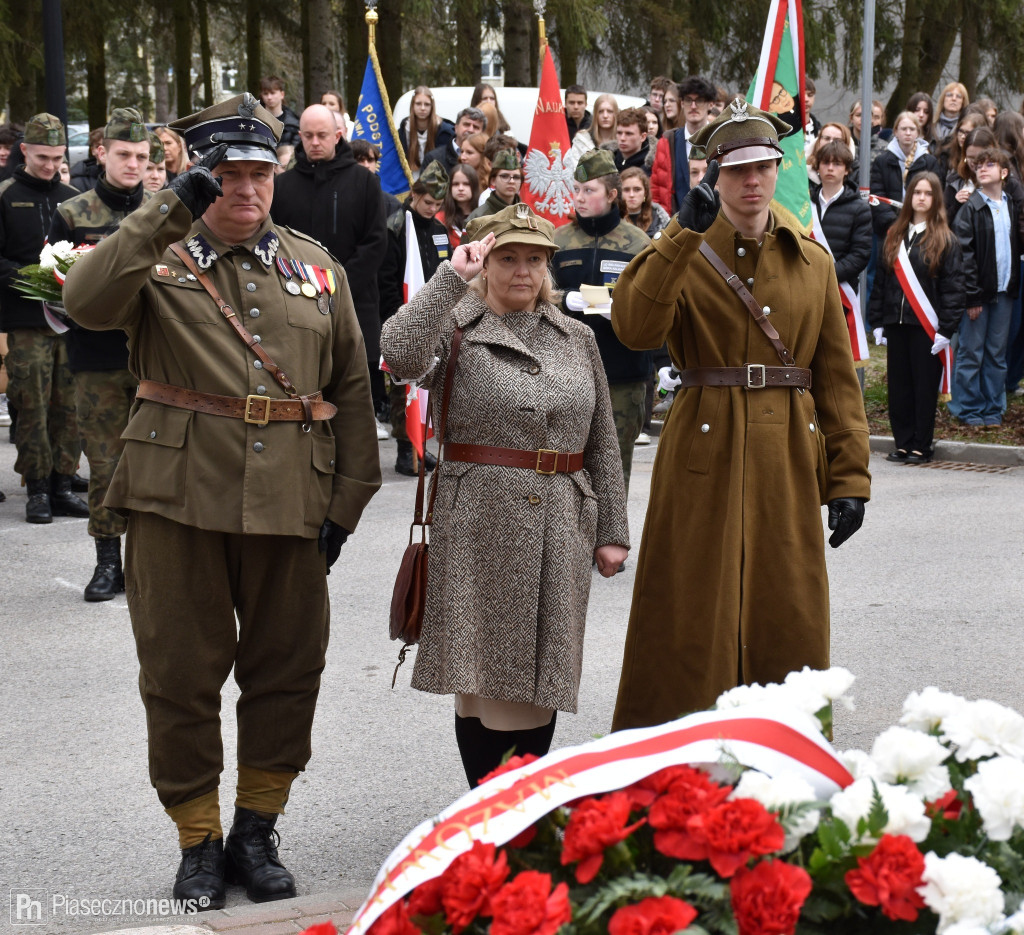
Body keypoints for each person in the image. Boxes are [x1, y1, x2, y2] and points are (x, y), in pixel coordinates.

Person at [63, 92, 381, 908]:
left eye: (259, 174)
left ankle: (254, 828)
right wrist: (167, 209)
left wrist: (344, 507)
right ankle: (198, 838)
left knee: (287, 672)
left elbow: (349, 390)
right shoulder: (155, 256)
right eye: (227, 175)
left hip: (291, 502)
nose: (247, 190)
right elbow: (87, 303)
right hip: (177, 499)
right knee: (178, 674)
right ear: (201, 176)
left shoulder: (317, 269)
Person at [609, 99, 871, 729]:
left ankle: (787, 756)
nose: (751, 182)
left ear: (778, 169)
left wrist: (849, 477)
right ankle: (675, 763)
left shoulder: (812, 261)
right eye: (736, 171)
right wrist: (677, 236)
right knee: (691, 607)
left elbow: (836, 380)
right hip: (705, 443)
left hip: (787, 449)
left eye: (762, 168)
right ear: (714, 176)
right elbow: (636, 328)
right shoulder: (683, 248)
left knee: (789, 608)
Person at [380, 203, 629, 788]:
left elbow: (604, 441)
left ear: (548, 266)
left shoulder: (576, 336)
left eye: (534, 259)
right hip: (477, 521)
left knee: (542, 677)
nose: (522, 270)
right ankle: (494, 806)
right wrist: (450, 279)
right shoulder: (455, 327)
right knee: (482, 678)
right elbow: (398, 351)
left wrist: (613, 528)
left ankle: (515, 806)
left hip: (562, 520)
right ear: (484, 263)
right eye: (507, 258)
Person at [49, 107, 153, 600]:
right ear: (102, 153)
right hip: (97, 358)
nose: (133, 164)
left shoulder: (165, 208)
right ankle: (108, 561)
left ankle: (154, 564)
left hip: (156, 357)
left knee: (159, 464)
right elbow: (52, 287)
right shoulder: (73, 212)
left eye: (141, 155)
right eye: (124, 154)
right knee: (107, 463)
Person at [271, 104, 389, 441]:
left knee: (348, 397)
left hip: (353, 303)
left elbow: (375, 242)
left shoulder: (365, 183)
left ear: (338, 136)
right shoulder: (284, 186)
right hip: (295, 304)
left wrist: (334, 284)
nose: (314, 142)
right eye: (307, 136)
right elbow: (275, 241)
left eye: (322, 135)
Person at [0, 113, 84, 525]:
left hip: (70, 320)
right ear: (26, 151)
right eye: (43, 157)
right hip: (26, 319)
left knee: (68, 404)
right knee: (30, 403)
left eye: (57, 157)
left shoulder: (73, 196)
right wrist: (30, 279)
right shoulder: (5, 194)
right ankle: (36, 487)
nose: (50, 165)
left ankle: (63, 483)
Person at [553, 149, 652, 498]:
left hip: (622, 374)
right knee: (566, 466)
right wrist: (564, 298)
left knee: (614, 467)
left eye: (588, 190)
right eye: (576, 189)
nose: (579, 198)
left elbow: (653, 303)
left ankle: (611, 550)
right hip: (567, 371)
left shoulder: (638, 244)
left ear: (612, 194)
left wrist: (623, 307)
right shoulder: (559, 240)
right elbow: (539, 292)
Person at [869, 172, 964, 462]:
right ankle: (903, 442)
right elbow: (882, 282)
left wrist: (947, 328)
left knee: (923, 388)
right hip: (897, 324)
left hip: (926, 326)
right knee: (899, 387)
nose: (921, 197)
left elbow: (953, 288)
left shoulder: (945, 239)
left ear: (936, 199)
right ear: (909, 196)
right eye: (917, 192)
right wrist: (877, 321)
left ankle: (922, 444)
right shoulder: (895, 234)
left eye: (928, 193)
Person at [378, 161, 451, 475]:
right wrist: (400, 316)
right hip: (403, 315)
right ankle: (405, 450)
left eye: (437, 205)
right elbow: (388, 277)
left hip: (436, 318)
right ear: (415, 195)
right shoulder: (395, 226)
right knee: (403, 385)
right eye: (427, 203)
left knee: (428, 385)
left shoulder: (438, 230)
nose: (431, 209)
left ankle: (422, 445)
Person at [950, 147, 1021, 426]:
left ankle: (993, 407)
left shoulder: (1010, 205)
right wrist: (972, 296)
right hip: (978, 295)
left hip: (1004, 292)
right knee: (971, 351)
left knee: (996, 353)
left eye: (990, 164)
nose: (982, 168)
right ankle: (967, 408)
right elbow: (964, 256)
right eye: (979, 164)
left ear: (1003, 173)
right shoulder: (971, 208)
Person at [650, 75, 716, 213]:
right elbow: (656, 189)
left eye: (699, 100)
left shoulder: (722, 139)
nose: (693, 106)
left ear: (711, 104)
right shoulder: (668, 142)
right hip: (675, 224)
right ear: (681, 103)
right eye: (688, 100)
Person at [870, 110, 941, 237]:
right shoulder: (882, 161)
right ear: (896, 132)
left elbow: (936, 196)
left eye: (912, 129)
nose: (908, 133)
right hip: (888, 229)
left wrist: (918, 222)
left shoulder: (929, 162)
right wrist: (894, 223)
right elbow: (877, 196)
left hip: (921, 228)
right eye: (903, 129)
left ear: (918, 133)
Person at [399, 86, 454, 177]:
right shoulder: (404, 130)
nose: (423, 108)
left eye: (427, 104)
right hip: (410, 180)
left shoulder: (443, 131)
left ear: (432, 106)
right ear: (412, 105)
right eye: (418, 104)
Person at [423, 107, 485, 174]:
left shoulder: (487, 160)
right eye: (466, 124)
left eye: (476, 127)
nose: (470, 130)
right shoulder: (434, 159)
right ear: (456, 128)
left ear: (483, 133)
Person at [467, 149, 522, 221]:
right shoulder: (477, 218)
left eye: (516, 177)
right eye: (504, 176)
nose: (511, 181)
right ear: (493, 180)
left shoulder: (528, 216)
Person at [437, 163, 480, 246]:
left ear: (474, 186)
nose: (460, 188)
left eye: (466, 184)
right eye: (456, 184)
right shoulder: (440, 219)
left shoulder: (483, 215)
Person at [620, 166, 669, 237]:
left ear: (645, 192)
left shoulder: (659, 217)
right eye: (626, 190)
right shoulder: (613, 219)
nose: (631, 195)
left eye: (637, 189)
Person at [259, 75, 300, 147]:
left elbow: (296, 151)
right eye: (265, 93)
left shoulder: (293, 124)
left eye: (272, 93)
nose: (269, 97)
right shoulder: (254, 121)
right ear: (262, 95)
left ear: (282, 94)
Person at [613, 108, 652, 175]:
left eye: (628, 134)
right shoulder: (609, 161)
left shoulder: (651, 168)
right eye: (619, 133)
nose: (622, 138)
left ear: (643, 137)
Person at [70, 128, 104, 192]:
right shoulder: (79, 181)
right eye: (97, 146)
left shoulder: (125, 176)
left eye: (106, 146)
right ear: (92, 150)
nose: (102, 150)